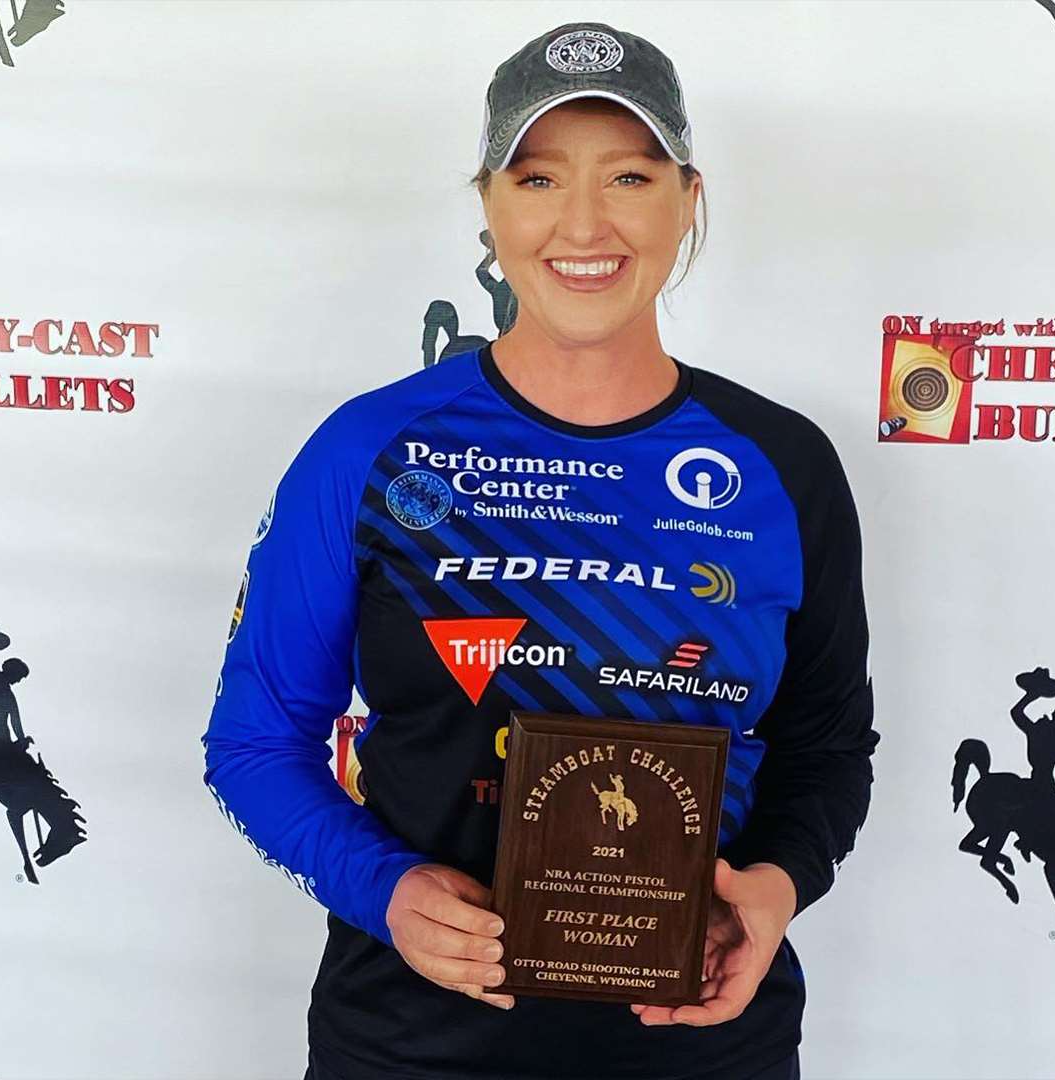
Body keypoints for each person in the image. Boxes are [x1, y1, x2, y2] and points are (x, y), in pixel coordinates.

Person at [202, 22, 877, 1080]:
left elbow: (829, 751)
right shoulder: (368, 451)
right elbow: (252, 744)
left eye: (630, 176)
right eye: (537, 178)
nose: (584, 223)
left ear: (688, 198)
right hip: (413, 1046)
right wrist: (389, 891)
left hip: (702, 1048)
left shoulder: (783, 466)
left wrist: (779, 885)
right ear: (488, 206)